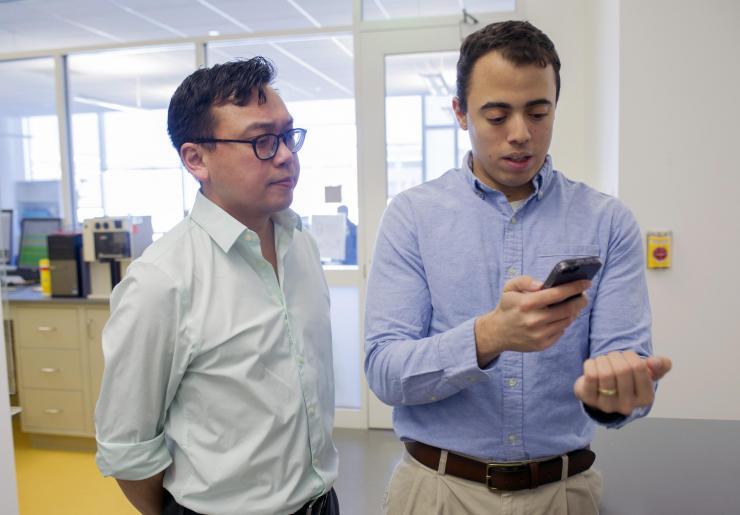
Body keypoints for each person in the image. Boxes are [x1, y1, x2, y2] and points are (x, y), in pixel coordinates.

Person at [364, 20, 672, 514]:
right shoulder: (412, 217)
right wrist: (490, 336)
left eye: (537, 112)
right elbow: (384, 372)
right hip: (438, 492)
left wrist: (617, 389)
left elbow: (623, 369)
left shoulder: (607, 221)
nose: (521, 135)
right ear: (460, 113)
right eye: (497, 115)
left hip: (564, 493)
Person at [95, 57, 339, 515]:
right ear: (195, 159)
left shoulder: (300, 244)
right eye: (262, 141)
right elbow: (126, 446)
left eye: (288, 135)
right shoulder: (161, 281)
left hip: (322, 501)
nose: (286, 154)